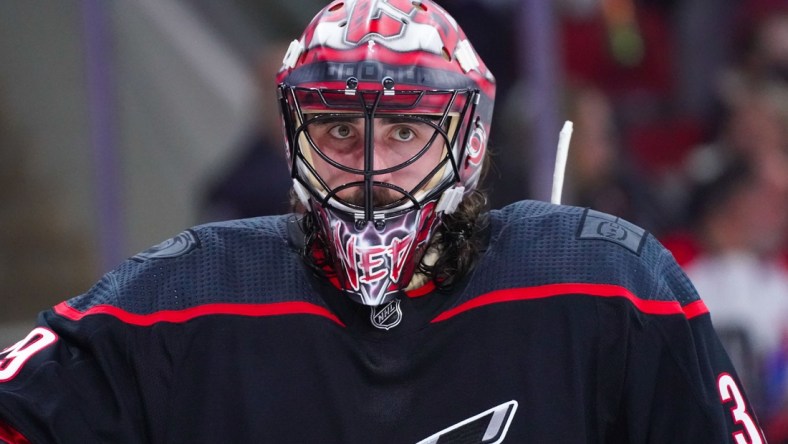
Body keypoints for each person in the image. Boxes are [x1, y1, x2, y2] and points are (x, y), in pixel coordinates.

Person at [0, 0, 766, 442]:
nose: (370, 172)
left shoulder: (611, 286)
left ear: (467, 143)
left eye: (404, 131)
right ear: (295, 139)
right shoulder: (183, 294)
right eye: (339, 131)